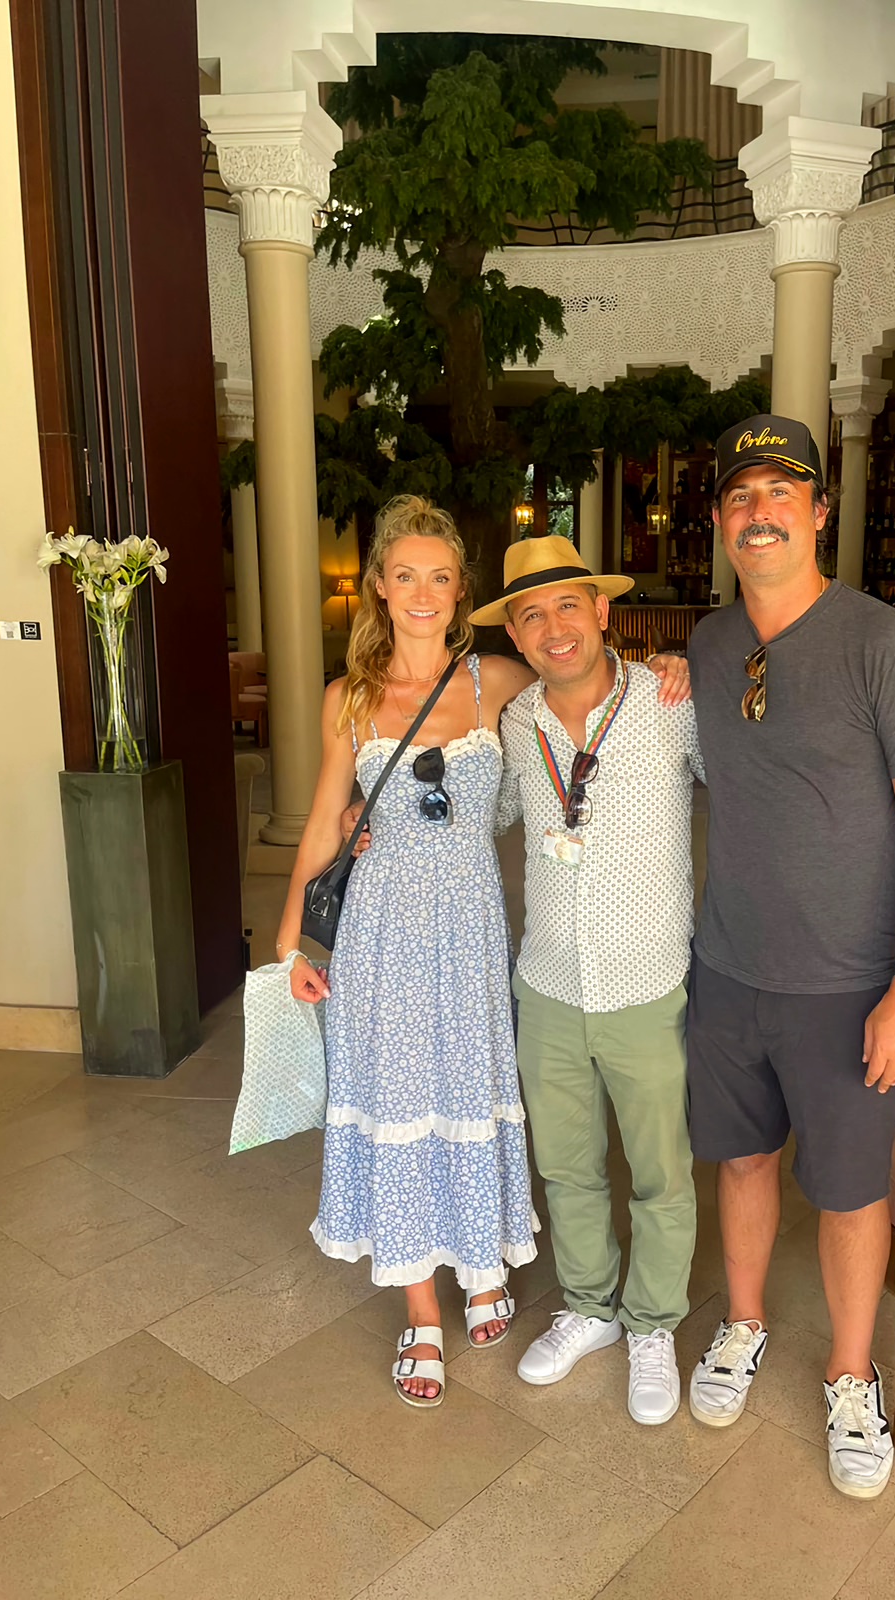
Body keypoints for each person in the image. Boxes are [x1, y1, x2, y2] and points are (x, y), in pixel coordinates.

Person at [684, 415, 895, 1497]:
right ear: (720, 520)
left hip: (850, 984)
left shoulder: (885, 647)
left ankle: (852, 1373)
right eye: (740, 496)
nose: (758, 513)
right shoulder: (710, 645)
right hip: (729, 968)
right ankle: (744, 1322)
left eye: (780, 492)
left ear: (820, 511)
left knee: (850, 1192)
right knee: (743, 1159)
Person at [274, 496, 541, 1409]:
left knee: (468, 1087)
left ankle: (481, 1264)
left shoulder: (497, 682)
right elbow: (323, 823)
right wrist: (292, 945)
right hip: (379, 937)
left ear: (461, 591)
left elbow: (586, 678)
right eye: (405, 576)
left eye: (440, 577)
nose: (422, 593)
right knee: (397, 1100)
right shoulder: (347, 700)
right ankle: (423, 1311)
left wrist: (664, 664)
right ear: (380, 589)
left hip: (470, 932)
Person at [468, 535, 704, 1426]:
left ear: (603, 611)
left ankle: (653, 1323)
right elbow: (487, 816)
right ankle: (591, 1307)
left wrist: (695, 664)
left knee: (661, 1172)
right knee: (566, 1169)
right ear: (515, 635)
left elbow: (750, 780)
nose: (553, 627)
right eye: (531, 614)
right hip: (549, 988)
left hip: (650, 984)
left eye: (569, 604)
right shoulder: (515, 724)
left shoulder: (671, 701)